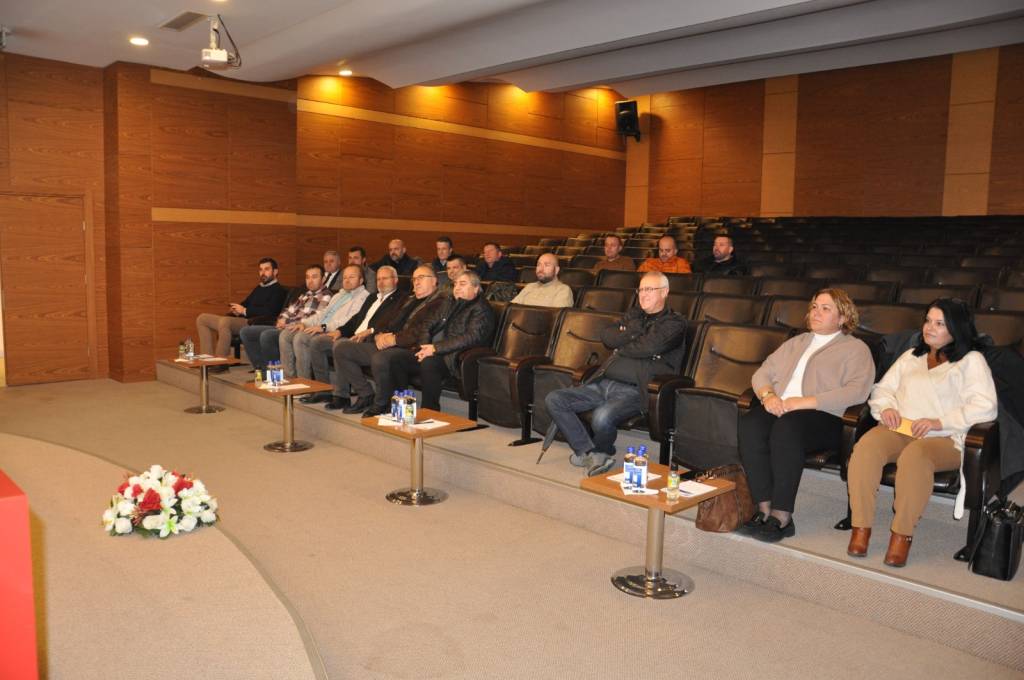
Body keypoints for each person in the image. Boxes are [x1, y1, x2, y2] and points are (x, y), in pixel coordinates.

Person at [846, 299, 997, 567]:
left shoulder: (971, 361)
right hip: (903, 428)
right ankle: (861, 527)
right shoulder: (911, 356)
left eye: (939, 323)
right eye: (928, 321)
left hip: (946, 437)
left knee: (916, 456)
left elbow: (986, 407)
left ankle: (901, 535)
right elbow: (882, 390)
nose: (929, 327)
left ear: (956, 328)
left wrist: (939, 422)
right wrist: (886, 408)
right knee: (867, 447)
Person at [738, 288, 874, 543]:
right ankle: (763, 507)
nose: (816, 312)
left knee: (787, 427)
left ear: (843, 317)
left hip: (825, 417)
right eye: (814, 307)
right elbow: (762, 373)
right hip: (783, 409)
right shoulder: (797, 342)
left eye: (826, 308)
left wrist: (805, 402)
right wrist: (768, 396)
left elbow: (858, 391)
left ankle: (782, 515)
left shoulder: (856, 349)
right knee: (751, 423)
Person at [544, 272, 686, 477]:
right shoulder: (634, 314)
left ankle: (602, 452)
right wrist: (631, 333)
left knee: (602, 417)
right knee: (555, 399)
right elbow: (607, 337)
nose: (643, 294)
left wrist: (624, 339)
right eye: (640, 289)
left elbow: (648, 347)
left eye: (649, 289)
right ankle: (588, 452)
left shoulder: (674, 323)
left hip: (634, 390)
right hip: (604, 382)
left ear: (664, 292)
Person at [364, 271, 496, 415]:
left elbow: (470, 337)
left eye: (462, 284)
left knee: (429, 362)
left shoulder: (481, 309)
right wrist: (423, 348)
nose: (457, 287)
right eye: (455, 284)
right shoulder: (450, 302)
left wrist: (435, 349)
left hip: (455, 357)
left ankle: (430, 411)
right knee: (394, 358)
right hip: (432, 351)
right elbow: (427, 325)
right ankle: (401, 409)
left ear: (476, 288)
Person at [328, 266, 441, 412]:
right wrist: (379, 334)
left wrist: (394, 339)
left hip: (410, 348)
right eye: (414, 279)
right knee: (342, 348)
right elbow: (387, 321)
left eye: (421, 278)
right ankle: (365, 394)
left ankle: (381, 404)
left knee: (382, 358)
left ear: (434, 281)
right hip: (390, 342)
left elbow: (420, 332)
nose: (416, 282)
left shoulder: (438, 302)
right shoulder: (408, 299)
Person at [238, 265, 331, 373]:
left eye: (314, 277)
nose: (310, 281)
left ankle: (276, 373)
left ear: (323, 279)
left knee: (267, 335)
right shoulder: (305, 294)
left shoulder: (326, 296)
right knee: (246, 332)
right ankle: (263, 370)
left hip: (297, 329)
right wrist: (281, 319)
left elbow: (313, 318)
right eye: (307, 277)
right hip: (285, 326)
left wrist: (286, 323)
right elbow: (289, 310)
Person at [290, 265, 371, 383]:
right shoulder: (339, 295)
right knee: (291, 334)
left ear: (361, 280)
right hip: (323, 328)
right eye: (345, 277)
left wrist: (324, 327)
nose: (347, 280)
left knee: (302, 338)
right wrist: (305, 323)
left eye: (351, 277)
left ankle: (311, 384)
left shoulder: (363, 297)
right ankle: (300, 382)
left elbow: (348, 321)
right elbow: (323, 314)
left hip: (338, 332)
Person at [197, 257, 287, 357]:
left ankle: (220, 361)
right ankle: (206, 359)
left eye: (266, 269)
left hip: (254, 323)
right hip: (242, 320)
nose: (263, 273)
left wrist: (244, 311)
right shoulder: (259, 288)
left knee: (226, 321)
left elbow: (270, 312)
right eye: (260, 270)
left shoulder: (278, 290)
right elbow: (245, 303)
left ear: (275, 272)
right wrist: (236, 309)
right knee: (202, 318)